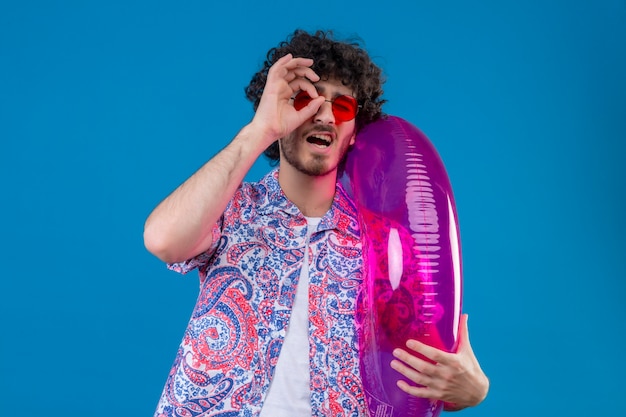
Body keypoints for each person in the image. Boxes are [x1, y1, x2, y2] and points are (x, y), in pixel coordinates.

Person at [144, 29, 489, 417]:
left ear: (355, 130)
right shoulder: (233, 209)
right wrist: (259, 131)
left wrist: (472, 390)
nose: (324, 114)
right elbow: (163, 240)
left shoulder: (383, 242)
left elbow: (421, 364)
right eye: (306, 100)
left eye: (342, 107)